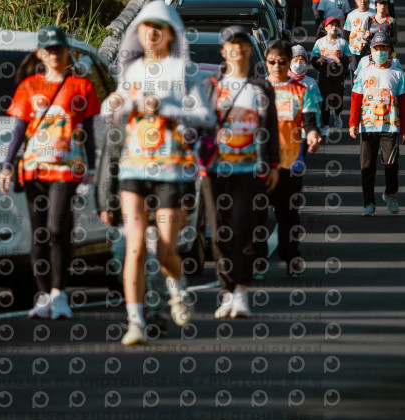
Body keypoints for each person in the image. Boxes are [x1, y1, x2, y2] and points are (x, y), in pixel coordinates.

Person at [99, 1, 215, 345]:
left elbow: (205, 116)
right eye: (145, 27)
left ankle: (177, 289)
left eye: (158, 28)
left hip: (171, 168)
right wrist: (115, 105)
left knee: (165, 249)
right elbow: (115, 108)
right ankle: (135, 322)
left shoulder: (184, 71)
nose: (151, 34)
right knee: (134, 246)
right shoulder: (132, 70)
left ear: (170, 33)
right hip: (134, 166)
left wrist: (168, 108)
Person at [0, 25, 100, 320]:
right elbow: (18, 130)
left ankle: (59, 292)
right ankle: (43, 295)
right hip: (33, 168)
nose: (54, 55)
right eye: (49, 50)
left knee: (57, 228)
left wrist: (92, 167)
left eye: (59, 49)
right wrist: (7, 165)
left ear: (67, 52)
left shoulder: (82, 87)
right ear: (40, 54)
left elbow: (88, 131)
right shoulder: (28, 87)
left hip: (67, 168)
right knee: (40, 232)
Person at [201, 26, 280, 319]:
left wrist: (273, 164)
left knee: (243, 229)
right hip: (215, 171)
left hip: (249, 171)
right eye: (230, 44)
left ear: (249, 49)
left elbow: (270, 127)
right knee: (219, 233)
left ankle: (242, 292)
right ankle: (227, 291)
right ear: (223, 51)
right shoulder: (211, 86)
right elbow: (199, 126)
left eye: (242, 43)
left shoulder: (260, 88)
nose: (237, 48)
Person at [265, 40, 322, 277]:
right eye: (272, 62)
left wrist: (313, 135)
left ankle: (290, 256)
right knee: (256, 213)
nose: (276, 66)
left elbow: (309, 122)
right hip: (259, 163)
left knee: (287, 213)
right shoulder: (257, 90)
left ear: (288, 63)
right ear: (266, 63)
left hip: (290, 162)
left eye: (282, 62)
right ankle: (255, 257)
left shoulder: (301, 91)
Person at [349, 32, 405, 216]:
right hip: (368, 126)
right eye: (377, 48)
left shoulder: (398, 74)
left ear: (389, 50)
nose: (380, 51)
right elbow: (356, 99)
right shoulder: (364, 73)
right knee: (367, 166)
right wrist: (353, 122)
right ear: (371, 51)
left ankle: (390, 193)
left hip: (390, 126)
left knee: (391, 164)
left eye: (383, 48)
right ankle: (368, 203)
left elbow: (404, 103)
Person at [311, 17, 350, 134]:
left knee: (338, 100)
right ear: (326, 28)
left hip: (338, 75)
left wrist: (340, 60)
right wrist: (319, 60)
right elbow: (313, 57)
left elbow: (349, 58)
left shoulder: (342, 42)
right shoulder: (320, 42)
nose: (334, 27)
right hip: (324, 74)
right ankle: (326, 126)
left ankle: (337, 115)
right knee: (326, 100)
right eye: (331, 25)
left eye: (336, 25)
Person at [289, 44, 324, 127]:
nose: (298, 63)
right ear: (289, 62)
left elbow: (315, 105)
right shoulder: (284, 81)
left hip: (305, 125)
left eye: (301, 61)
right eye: (295, 60)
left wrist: (316, 125)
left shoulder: (311, 82)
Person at [343, 0, 375, 77]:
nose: (362, 1)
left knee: (369, 72)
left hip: (369, 49)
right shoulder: (351, 15)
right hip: (354, 49)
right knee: (355, 73)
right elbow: (346, 33)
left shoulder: (374, 14)